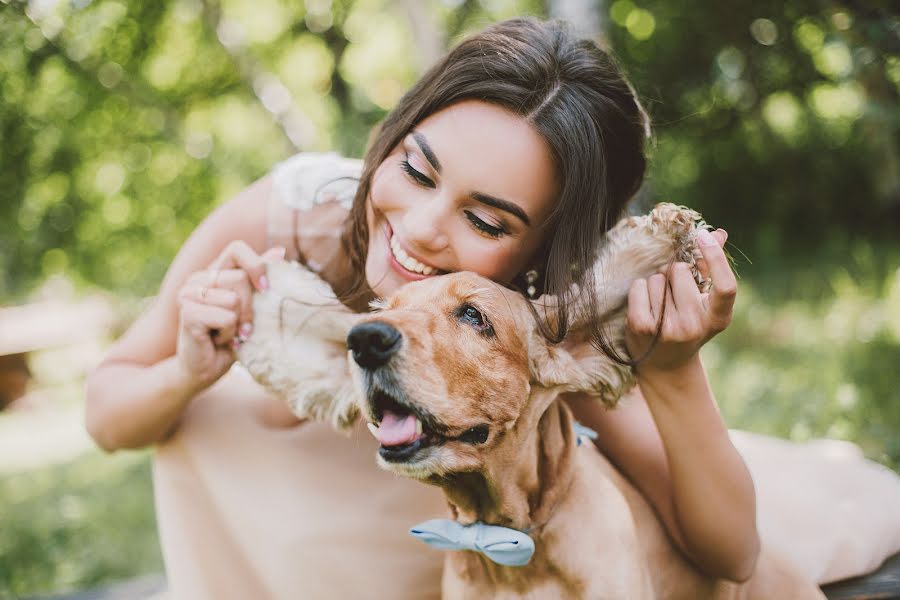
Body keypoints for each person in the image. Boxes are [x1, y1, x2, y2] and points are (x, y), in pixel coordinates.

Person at [85, 16, 886, 599]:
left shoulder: (541, 319)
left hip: (475, 549)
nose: (422, 231)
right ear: (392, 136)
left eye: (486, 220)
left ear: (543, 257)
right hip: (273, 526)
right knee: (208, 408)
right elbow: (106, 412)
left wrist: (673, 373)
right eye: (419, 170)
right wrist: (187, 371)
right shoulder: (295, 215)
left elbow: (731, 551)